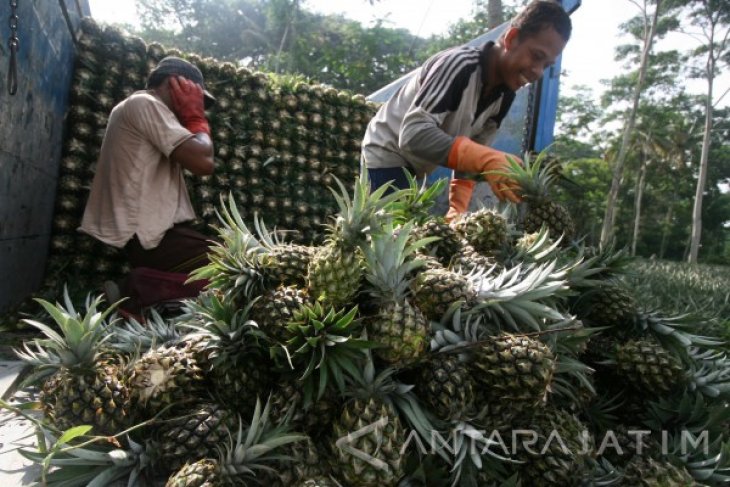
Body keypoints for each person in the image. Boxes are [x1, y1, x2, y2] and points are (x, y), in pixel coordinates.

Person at [361, 0, 571, 221]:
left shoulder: (505, 95)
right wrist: (485, 158)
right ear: (511, 38)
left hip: (415, 167)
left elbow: (475, 151)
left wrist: (457, 208)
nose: (538, 72)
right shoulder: (459, 65)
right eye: (537, 56)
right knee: (390, 235)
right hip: (387, 153)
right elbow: (413, 135)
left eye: (546, 66)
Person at [79, 56, 216, 317]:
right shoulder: (145, 103)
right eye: (193, 96)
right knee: (238, 267)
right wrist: (196, 119)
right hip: (152, 238)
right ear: (174, 85)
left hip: (153, 236)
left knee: (231, 267)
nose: (197, 104)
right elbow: (203, 161)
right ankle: (138, 291)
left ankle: (148, 287)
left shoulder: (140, 110)